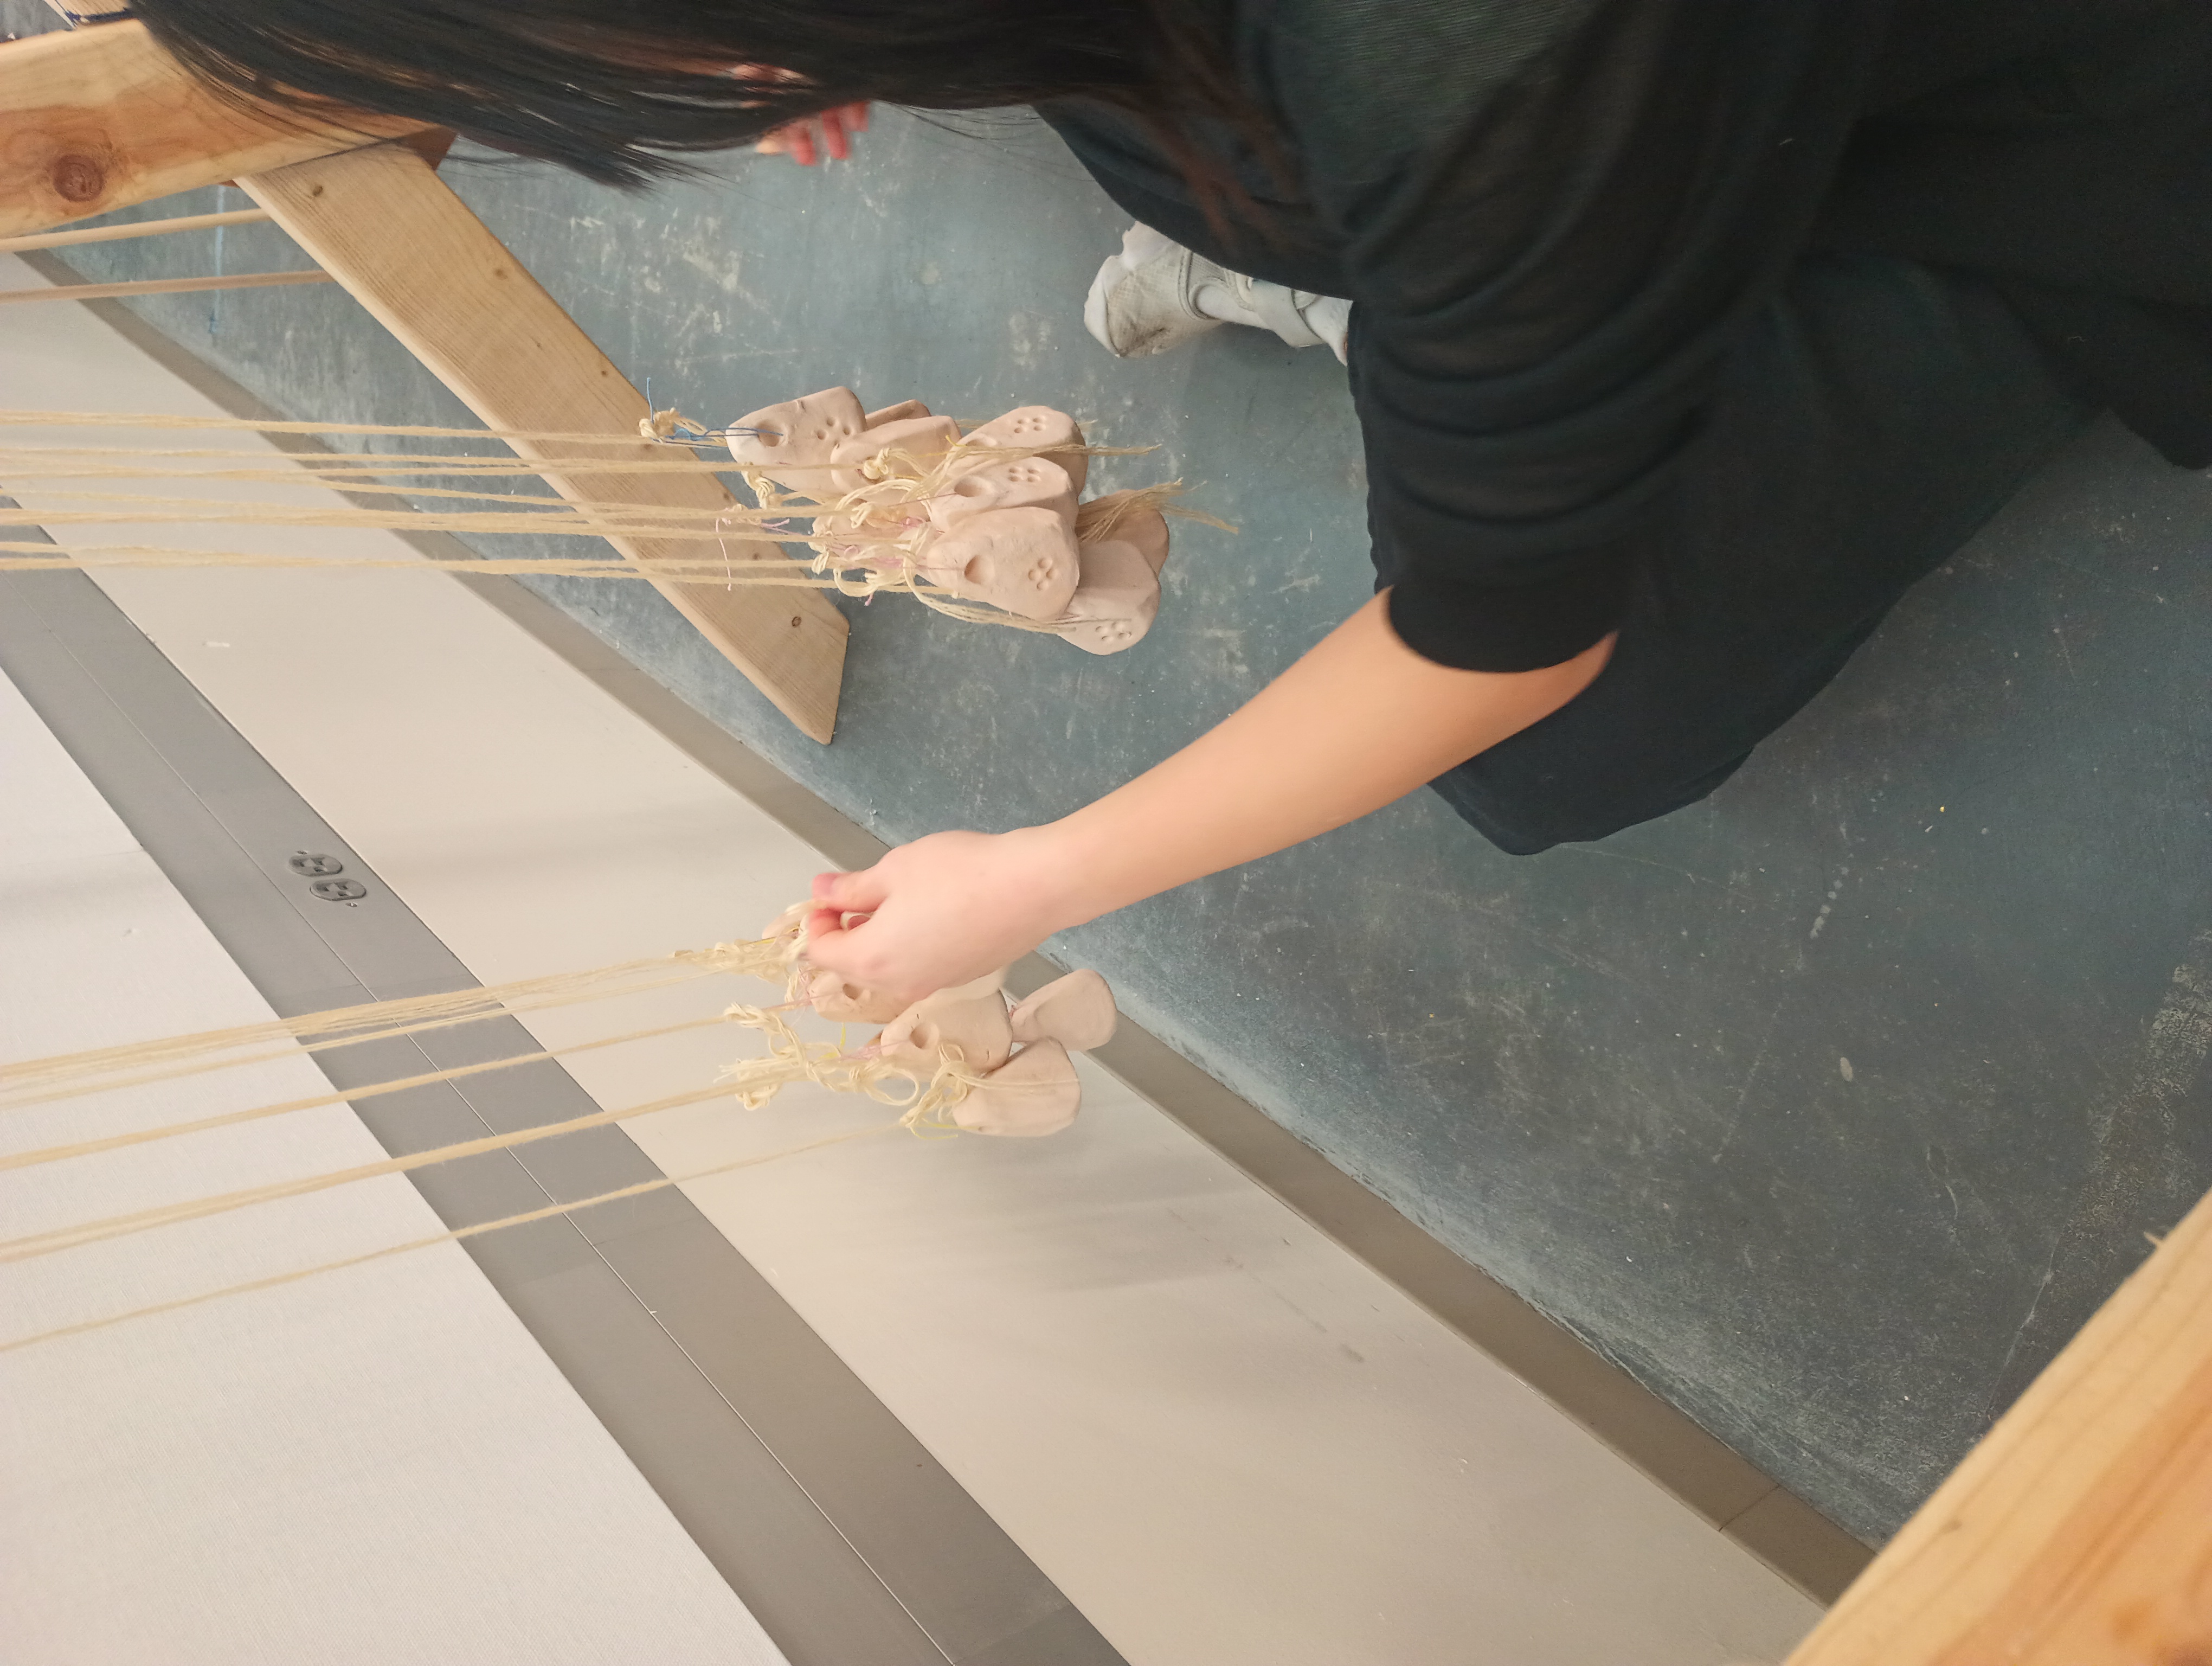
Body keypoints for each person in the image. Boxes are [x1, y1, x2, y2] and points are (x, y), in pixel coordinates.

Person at [131, 0, 2212, 1000]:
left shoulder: (1472, 69)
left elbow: (1503, 636)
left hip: (2063, 137)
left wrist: (1025, 878)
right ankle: (1446, 314)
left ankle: (1468, 321)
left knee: (1554, 744)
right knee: (1322, 209)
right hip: (1600, 137)